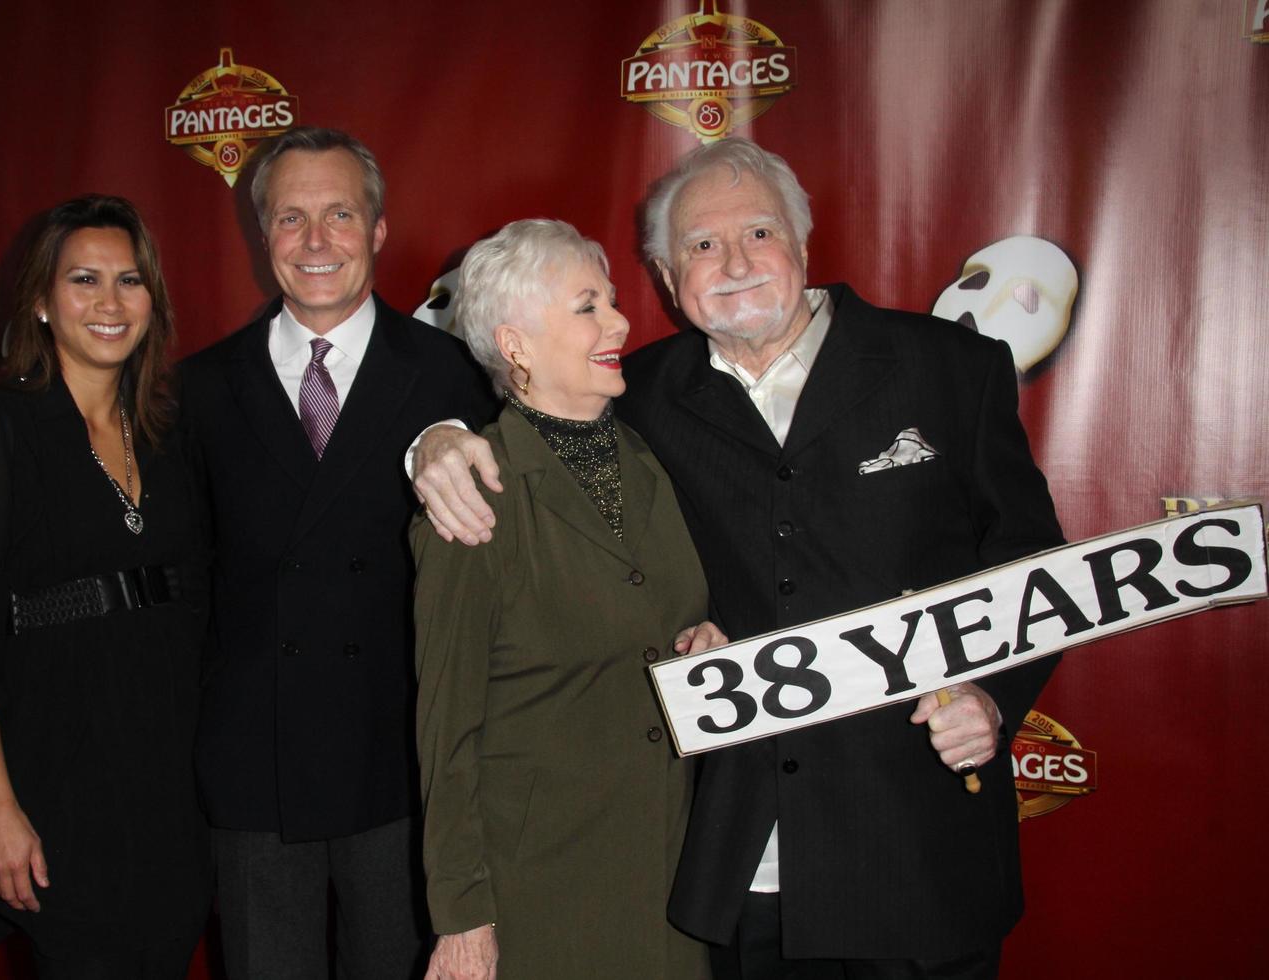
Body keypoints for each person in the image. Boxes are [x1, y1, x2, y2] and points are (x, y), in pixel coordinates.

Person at [412, 139, 1064, 979]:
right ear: (666, 274)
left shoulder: (948, 368)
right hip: (734, 867)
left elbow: (1032, 561)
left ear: (802, 239)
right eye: (701, 246)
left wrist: (992, 693)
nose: (734, 264)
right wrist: (434, 443)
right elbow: (516, 397)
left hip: (917, 849)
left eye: (758, 233)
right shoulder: (637, 391)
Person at [179, 127, 497, 979]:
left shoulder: (459, 376)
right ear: (263, 235)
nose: (315, 242)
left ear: (380, 230)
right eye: (291, 218)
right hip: (253, 770)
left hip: (402, 768)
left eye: (339, 215)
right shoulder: (199, 390)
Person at [414, 219, 720, 980]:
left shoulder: (647, 459)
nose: (621, 321)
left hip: (669, 876)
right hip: (538, 894)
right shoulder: (475, 494)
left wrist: (711, 644)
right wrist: (463, 919)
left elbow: (660, 619)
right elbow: (444, 735)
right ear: (515, 344)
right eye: (589, 305)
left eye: (612, 300)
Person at [0, 195, 211, 979]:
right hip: (59, 774)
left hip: (170, 775)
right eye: (84, 279)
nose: (110, 303)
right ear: (42, 303)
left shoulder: (170, 432)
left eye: (130, 280)